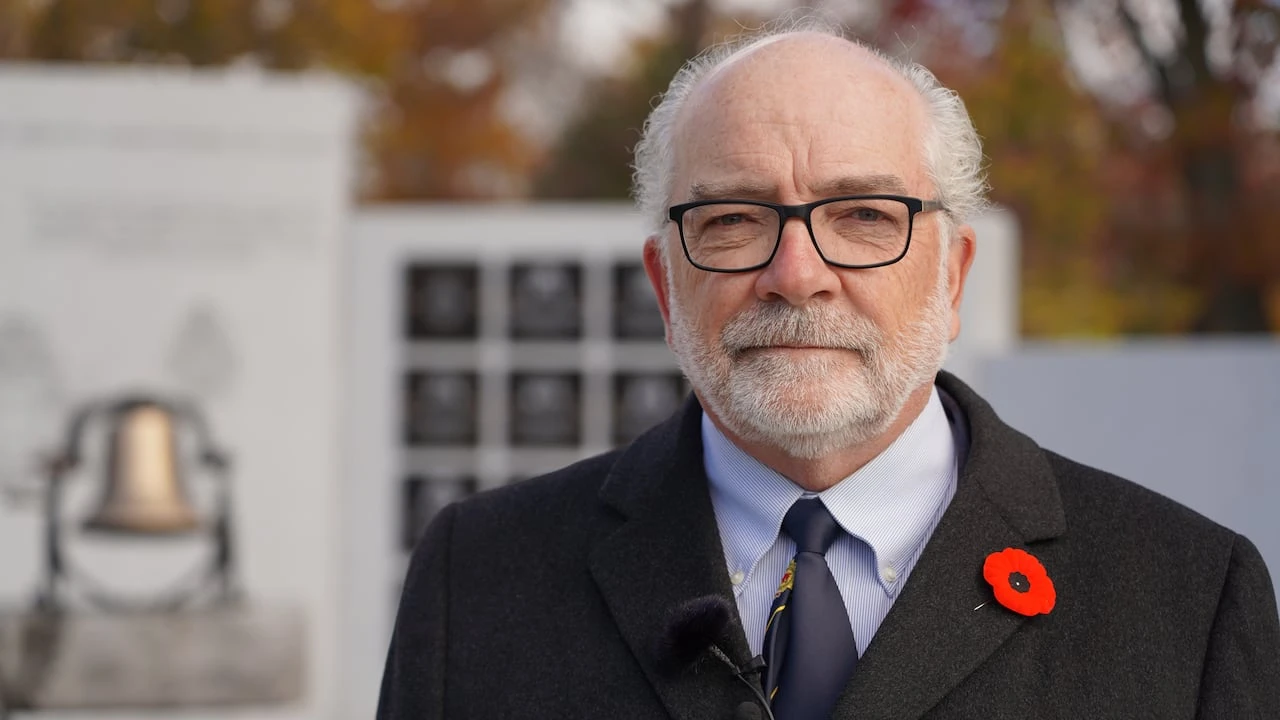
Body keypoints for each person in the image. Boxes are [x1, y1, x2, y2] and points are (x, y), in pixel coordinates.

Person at [377, 19, 1280, 720]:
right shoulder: (481, 581)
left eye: (862, 216)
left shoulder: (1186, 599)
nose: (796, 275)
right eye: (731, 219)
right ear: (664, 284)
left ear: (953, 272)